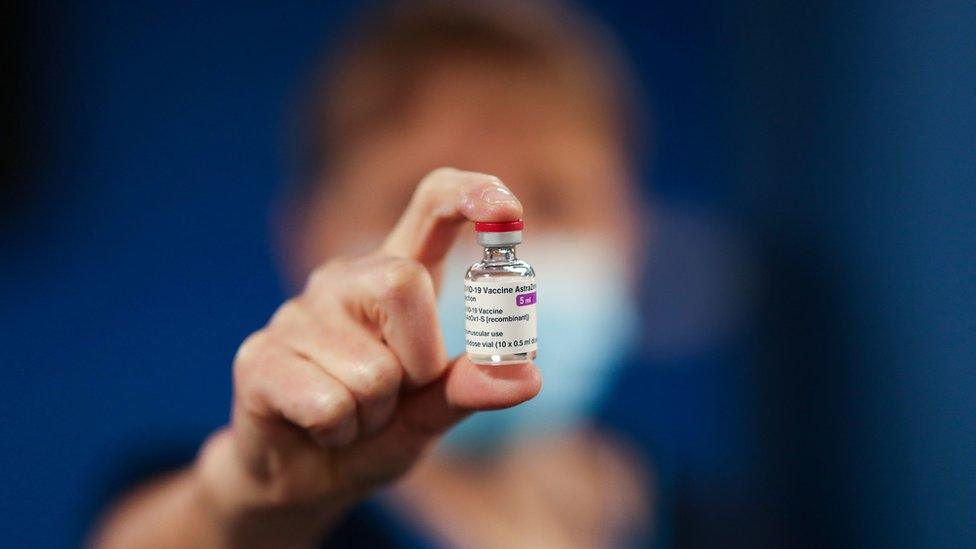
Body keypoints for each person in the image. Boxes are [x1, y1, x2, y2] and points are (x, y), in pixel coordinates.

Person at [92, 1, 652, 547]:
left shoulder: (698, 512)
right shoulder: (246, 497)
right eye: (421, 194)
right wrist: (248, 504)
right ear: (309, 236)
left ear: (633, 232)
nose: (496, 235)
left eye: (554, 200)